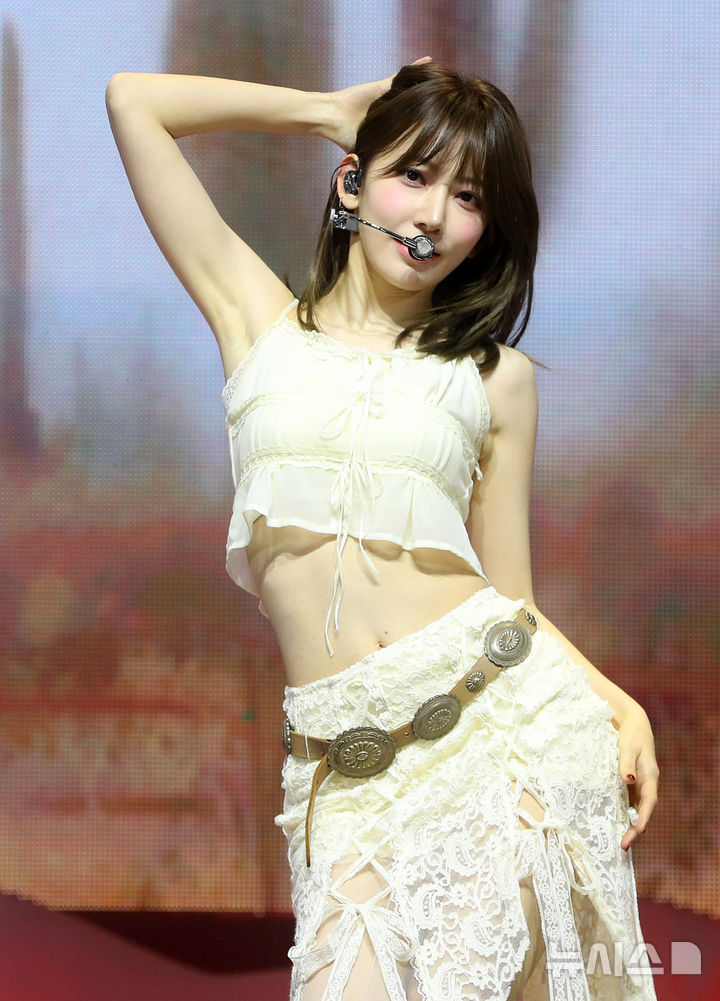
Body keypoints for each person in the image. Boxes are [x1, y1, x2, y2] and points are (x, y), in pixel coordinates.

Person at [106, 58, 659, 1001]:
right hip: (343, 769)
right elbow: (134, 103)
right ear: (352, 183)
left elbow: (512, 599)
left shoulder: (494, 377)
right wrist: (328, 110)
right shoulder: (259, 322)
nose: (434, 214)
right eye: (414, 175)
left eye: (468, 196)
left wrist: (616, 702)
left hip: (502, 729)